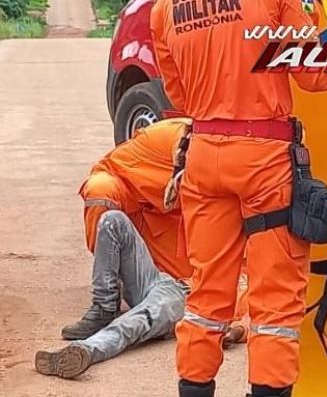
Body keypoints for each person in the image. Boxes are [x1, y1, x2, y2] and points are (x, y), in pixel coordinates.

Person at [150, 0, 327, 397]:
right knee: (273, 308)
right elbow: (313, 72)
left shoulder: (164, 6)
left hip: (203, 159)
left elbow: (179, 98)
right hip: (265, 160)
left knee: (206, 297)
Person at [34, 119, 246, 379]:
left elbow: (254, 301)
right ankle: (104, 305)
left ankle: (87, 350)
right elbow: (112, 169)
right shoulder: (169, 146)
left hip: (187, 296)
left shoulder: (242, 219)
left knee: (134, 324)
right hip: (152, 275)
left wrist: (236, 331)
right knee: (113, 221)